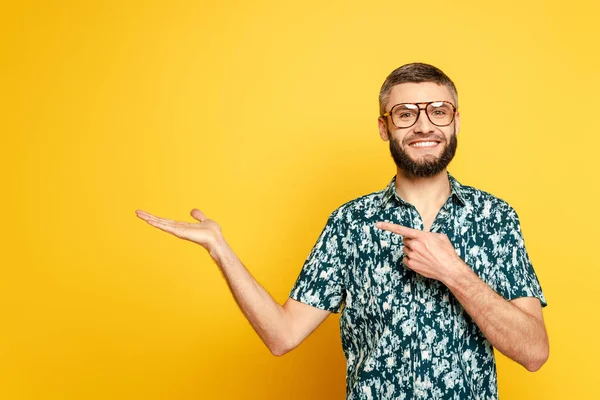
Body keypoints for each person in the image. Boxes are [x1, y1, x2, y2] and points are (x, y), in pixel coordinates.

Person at [135, 62, 549, 400]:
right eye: (406, 114)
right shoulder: (349, 223)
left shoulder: (495, 218)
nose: (424, 126)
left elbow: (534, 352)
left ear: (455, 121)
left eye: (438, 111)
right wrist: (220, 250)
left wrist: (453, 272)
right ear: (385, 127)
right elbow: (282, 335)